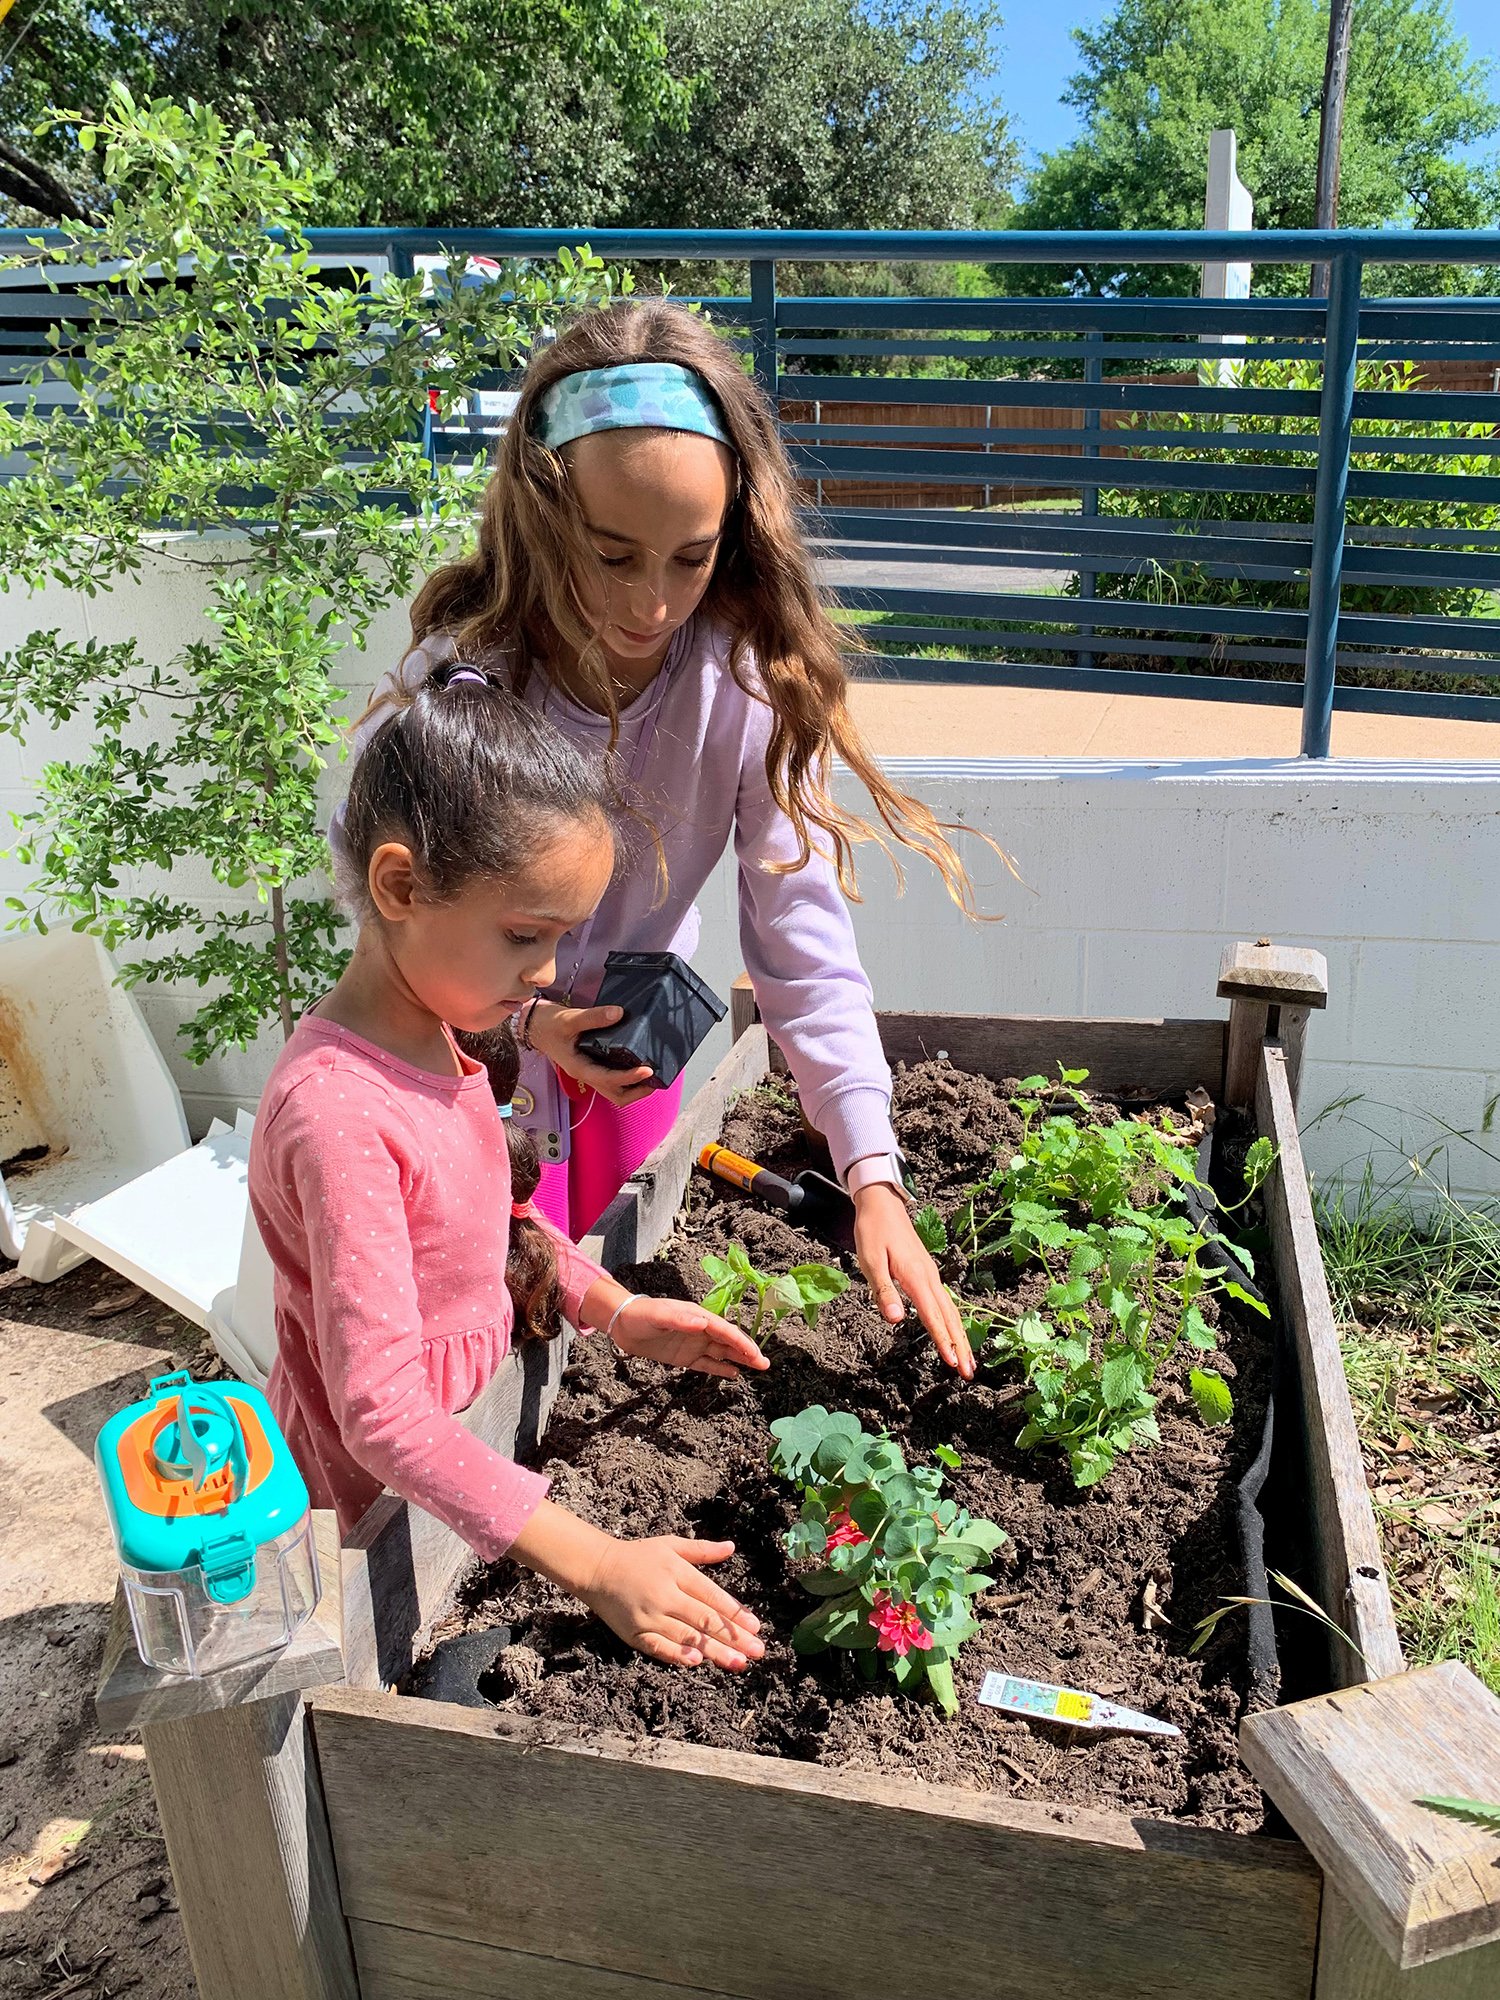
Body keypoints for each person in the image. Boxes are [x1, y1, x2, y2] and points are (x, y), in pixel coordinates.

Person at [343, 297, 987, 1378]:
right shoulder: (470, 683)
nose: (653, 603)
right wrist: (528, 1020)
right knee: (490, 1325)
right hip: (477, 1060)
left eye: (691, 558)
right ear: (548, 519)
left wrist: (872, 1174)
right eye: (612, 555)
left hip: (636, 1057)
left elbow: (802, 941)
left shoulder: (743, 679)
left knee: (629, 1302)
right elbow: (389, 907)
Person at [249, 667, 769, 1671]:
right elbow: (383, 1411)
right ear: (400, 886)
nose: (546, 971)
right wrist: (598, 1561)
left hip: (469, 1466)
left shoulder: (445, 1032)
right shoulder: (338, 1115)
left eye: (561, 936)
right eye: (526, 935)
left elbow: (488, 1224)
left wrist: (610, 1305)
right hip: (376, 1524)